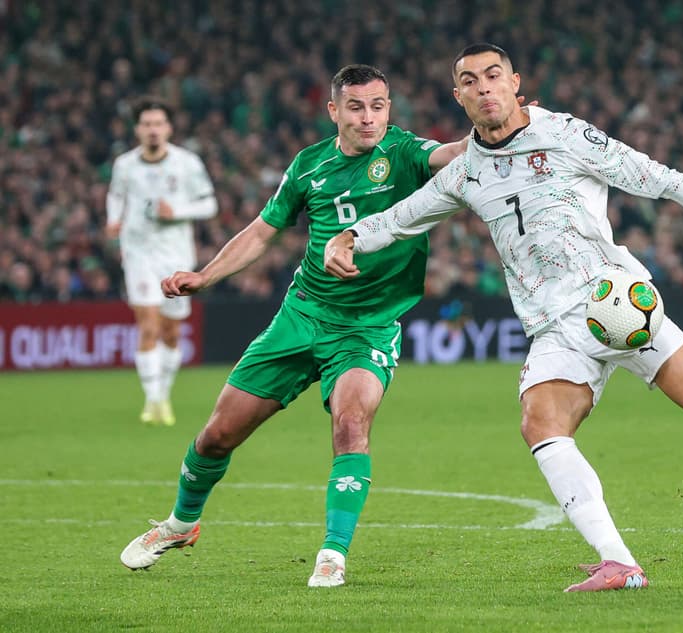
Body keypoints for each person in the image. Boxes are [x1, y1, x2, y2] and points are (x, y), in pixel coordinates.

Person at [323, 44, 683, 593]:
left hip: (614, 300)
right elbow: (403, 216)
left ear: (515, 83)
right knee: (541, 425)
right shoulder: (465, 171)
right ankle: (619, 563)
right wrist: (349, 237)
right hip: (553, 326)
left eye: (493, 75)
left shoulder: (565, 134)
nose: (484, 87)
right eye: (470, 81)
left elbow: (655, 176)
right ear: (458, 97)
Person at [119, 65, 472, 587]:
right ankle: (180, 523)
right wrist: (205, 275)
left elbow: (454, 152)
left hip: (367, 327)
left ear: (389, 110)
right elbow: (263, 231)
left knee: (351, 426)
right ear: (334, 111)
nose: (368, 117)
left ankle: (333, 554)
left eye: (378, 106)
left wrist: (499, 124)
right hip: (301, 315)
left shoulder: (404, 153)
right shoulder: (309, 166)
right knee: (216, 436)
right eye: (356, 107)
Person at [106, 97, 218, 426]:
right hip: (138, 253)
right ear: (137, 129)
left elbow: (209, 204)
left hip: (176, 256)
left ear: (168, 128)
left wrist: (177, 211)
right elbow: (116, 194)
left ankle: (163, 395)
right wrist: (113, 219)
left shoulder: (187, 163)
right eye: (147, 124)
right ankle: (153, 401)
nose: (153, 130)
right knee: (148, 325)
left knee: (171, 332)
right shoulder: (125, 165)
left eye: (158, 123)